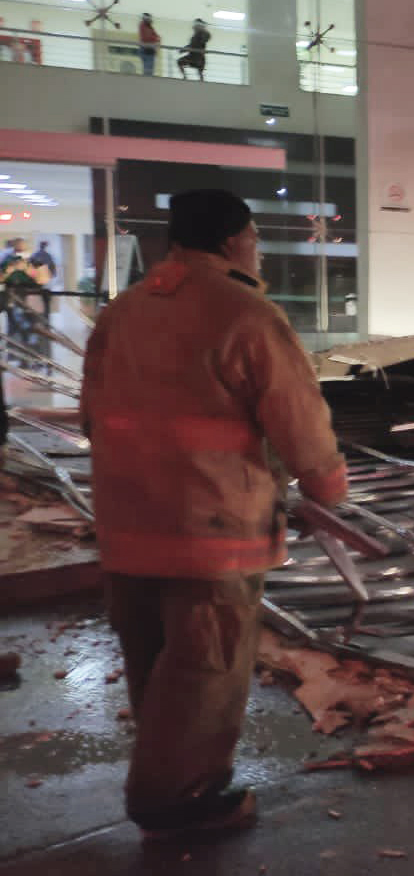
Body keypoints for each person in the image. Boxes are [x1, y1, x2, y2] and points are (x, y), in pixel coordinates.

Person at [80, 189, 347, 838]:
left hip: (126, 530)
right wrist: (327, 488)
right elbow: (300, 422)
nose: (255, 249)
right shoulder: (247, 314)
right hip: (213, 534)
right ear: (234, 241)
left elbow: (90, 417)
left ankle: (173, 774)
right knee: (204, 668)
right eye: (254, 238)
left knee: (154, 663)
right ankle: (175, 799)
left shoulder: (121, 313)